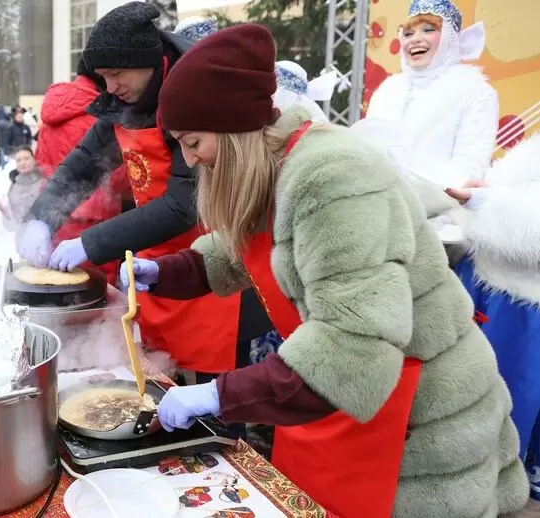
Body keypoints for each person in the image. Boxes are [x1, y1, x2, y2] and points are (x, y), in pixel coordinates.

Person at [134, 24, 527, 517]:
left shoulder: (332, 176)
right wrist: (165, 272)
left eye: (193, 142)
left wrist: (220, 394)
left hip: (422, 413)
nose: (191, 160)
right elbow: (242, 247)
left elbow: (352, 342)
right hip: (361, 394)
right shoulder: (276, 163)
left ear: (233, 130)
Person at [17, 1, 269, 379]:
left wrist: (91, 243)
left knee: (212, 399)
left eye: (117, 73)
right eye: (102, 76)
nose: (110, 87)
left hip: (210, 266)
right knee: (157, 378)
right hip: (153, 268)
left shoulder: (192, 97)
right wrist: (41, 217)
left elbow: (185, 204)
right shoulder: (124, 102)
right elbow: (82, 164)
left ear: (149, 62)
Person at [443, 135, 540, 512]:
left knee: (512, 395)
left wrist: (486, 203)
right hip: (486, 283)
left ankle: (497, 481)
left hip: (523, 304)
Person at [363, 0, 496, 213]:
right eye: (408, 34)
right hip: (378, 213)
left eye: (428, 29)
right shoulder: (387, 91)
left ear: (449, 39)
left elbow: (469, 167)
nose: (416, 39)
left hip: (441, 219)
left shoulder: (475, 91)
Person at [35, 57, 132, 283]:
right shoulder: (103, 116)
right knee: (95, 295)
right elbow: (119, 180)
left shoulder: (51, 113)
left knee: (57, 289)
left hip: (55, 216)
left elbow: (41, 160)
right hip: (97, 224)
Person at [0, 146, 45, 231]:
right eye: (19, 160)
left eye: (26, 158)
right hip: (20, 236)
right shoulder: (14, 186)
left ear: (34, 160)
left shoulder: (43, 182)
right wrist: (4, 210)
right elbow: (10, 223)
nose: (23, 163)